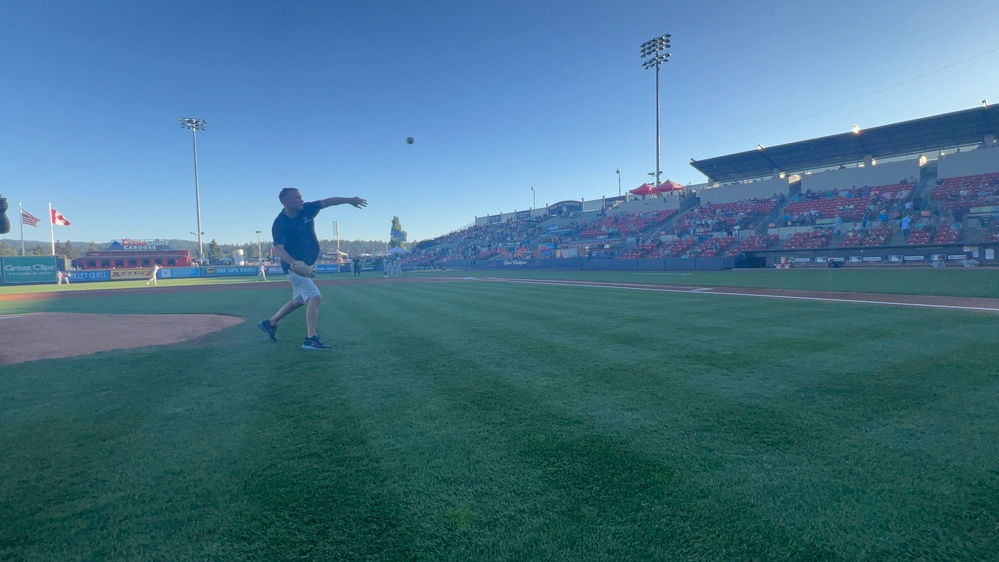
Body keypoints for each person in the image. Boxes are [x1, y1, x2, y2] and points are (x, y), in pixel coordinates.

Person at [258, 187, 366, 350]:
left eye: (300, 197)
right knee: (315, 298)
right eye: (296, 198)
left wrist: (349, 200)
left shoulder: (307, 209)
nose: (301, 200)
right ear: (285, 201)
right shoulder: (280, 223)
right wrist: (294, 263)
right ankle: (310, 339)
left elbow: (328, 202)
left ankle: (270, 323)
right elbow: (278, 248)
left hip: (306, 265)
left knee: (299, 301)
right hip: (294, 268)